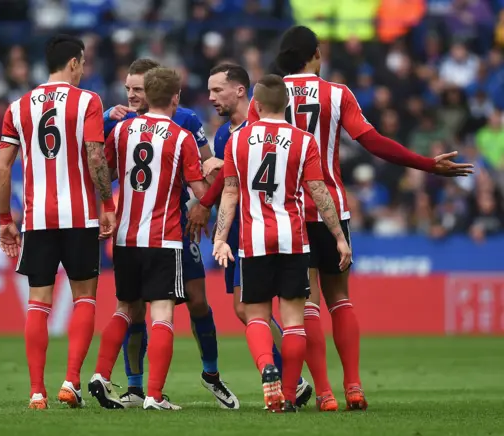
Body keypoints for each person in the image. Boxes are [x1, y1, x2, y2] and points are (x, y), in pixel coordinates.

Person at [243, 25, 474, 411]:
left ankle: (325, 393)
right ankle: (354, 387)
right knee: (340, 298)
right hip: (331, 205)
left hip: (289, 212)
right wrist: (425, 164)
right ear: (315, 54)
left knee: (306, 305)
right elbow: (373, 141)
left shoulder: (266, 96)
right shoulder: (337, 94)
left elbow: (252, 148)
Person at [103, 58, 238, 409]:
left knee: (196, 301)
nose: (131, 96)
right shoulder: (122, 123)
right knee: (137, 311)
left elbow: (204, 169)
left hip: (176, 225)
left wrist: (205, 204)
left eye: (137, 89)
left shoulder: (188, 121)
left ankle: (211, 374)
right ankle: (137, 387)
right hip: (156, 232)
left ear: (151, 91)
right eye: (128, 89)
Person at [212, 75, 352, 412]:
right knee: (293, 322)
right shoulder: (304, 141)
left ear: (256, 104)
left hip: (254, 240)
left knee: (257, 315)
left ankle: (266, 367)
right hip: (294, 239)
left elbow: (229, 193)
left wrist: (220, 238)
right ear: (286, 105)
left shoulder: (238, 140)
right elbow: (319, 192)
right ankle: (288, 395)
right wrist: (338, 237)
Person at [0, 34, 116, 410]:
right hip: (79, 216)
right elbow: (96, 157)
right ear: (75, 63)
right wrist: (107, 203)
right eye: (82, 64)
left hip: (37, 218)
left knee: (38, 302)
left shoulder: (18, 107)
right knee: (85, 298)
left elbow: (2, 169)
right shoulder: (88, 101)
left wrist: (5, 219)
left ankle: (36, 392)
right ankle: (71, 381)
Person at [188, 63, 313, 407]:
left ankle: (290, 378)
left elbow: (235, 185)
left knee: (250, 310)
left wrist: (205, 203)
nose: (211, 97)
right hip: (243, 232)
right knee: (247, 310)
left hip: (255, 231)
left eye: (217, 90)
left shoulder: (254, 131)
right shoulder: (226, 133)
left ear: (241, 91)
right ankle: (292, 379)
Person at [88, 67, 210, 411]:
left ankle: (99, 373)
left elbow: (103, 169)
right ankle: (154, 396)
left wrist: (107, 205)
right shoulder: (182, 138)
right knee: (162, 316)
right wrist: (225, 179)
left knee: (125, 308)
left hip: (125, 237)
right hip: (164, 239)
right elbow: (199, 191)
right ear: (175, 98)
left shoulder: (123, 130)